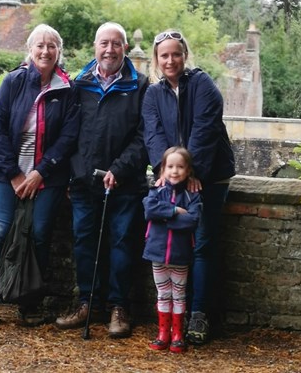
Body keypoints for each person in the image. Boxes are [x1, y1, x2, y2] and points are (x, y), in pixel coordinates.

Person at [0, 24, 79, 329]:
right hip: (8, 173)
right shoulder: (13, 82)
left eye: (52, 46)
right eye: (40, 46)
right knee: (2, 231)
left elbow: (69, 137)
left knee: (41, 234)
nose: (46, 51)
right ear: (30, 50)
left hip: (49, 176)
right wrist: (17, 175)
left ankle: (29, 302)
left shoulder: (67, 89)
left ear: (59, 51)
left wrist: (39, 173)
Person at [55, 22, 149, 338]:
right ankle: (87, 302)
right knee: (84, 242)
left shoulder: (141, 86)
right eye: (104, 43)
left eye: (116, 44)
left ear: (124, 48)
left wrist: (119, 170)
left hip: (125, 184)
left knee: (122, 242)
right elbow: (69, 133)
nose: (109, 50)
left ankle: (118, 306)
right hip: (84, 183)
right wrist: (76, 172)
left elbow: (143, 137)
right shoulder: (79, 84)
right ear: (95, 47)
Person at [142, 30, 236, 345]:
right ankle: (172, 318)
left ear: (185, 55)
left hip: (208, 175)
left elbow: (204, 129)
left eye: (176, 54)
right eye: (164, 55)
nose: (170, 60)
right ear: (157, 60)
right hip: (172, 175)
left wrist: (193, 171)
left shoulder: (203, 84)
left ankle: (198, 314)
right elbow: (152, 133)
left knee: (202, 243)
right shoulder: (153, 93)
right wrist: (164, 170)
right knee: (175, 243)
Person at [143, 146, 202, 353]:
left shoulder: (192, 195)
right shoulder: (156, 191)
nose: (174, 171)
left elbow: (192, 220)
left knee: (179, 294)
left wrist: (164, 219)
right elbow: (149, 210)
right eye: (170, 166)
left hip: (180, 254)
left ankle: (177, 334)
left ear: (188, 171)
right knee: (162, 294)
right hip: (157, 253)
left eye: (180, 167)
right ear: (162, 169)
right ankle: (163, 333)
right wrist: (174, 211)